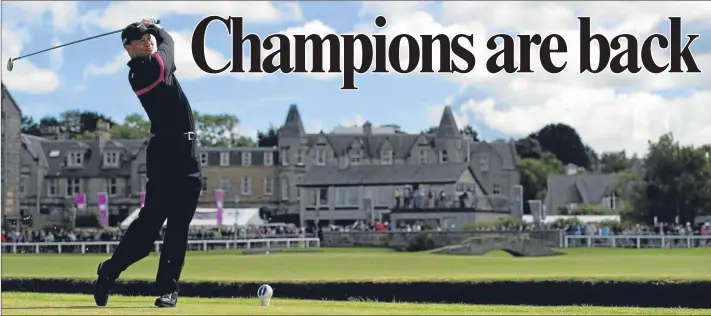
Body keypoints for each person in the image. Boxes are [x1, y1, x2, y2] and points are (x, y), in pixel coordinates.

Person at [93, 19, 202, 308]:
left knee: (179, 228)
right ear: (128, 48)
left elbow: (164, 46)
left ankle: (169, 289)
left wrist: (150, 28)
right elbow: (171, 45)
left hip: (189, 154)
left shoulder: (151, 63)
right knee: (148, 229)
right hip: (166, 155)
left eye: (147, 38)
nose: (147, 41)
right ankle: (109, 270)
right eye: (140, 39)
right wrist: (156, 27)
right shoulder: (148, 70)